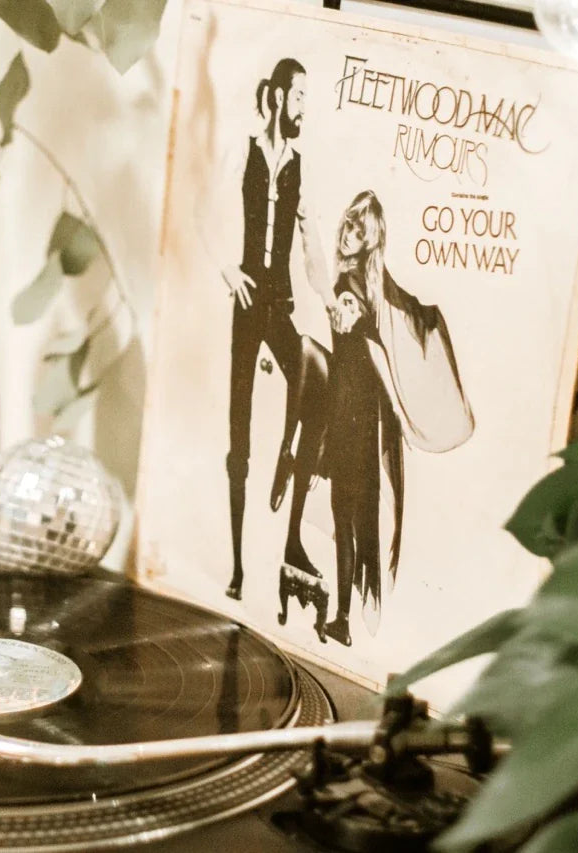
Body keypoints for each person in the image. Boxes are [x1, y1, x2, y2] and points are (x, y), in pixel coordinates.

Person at [319, 191, 474, 646]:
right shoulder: (369, 281)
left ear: (370, 241)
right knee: (355, 515)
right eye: (348, 223)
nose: (348, 233)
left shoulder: (351, 287)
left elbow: (371, 344)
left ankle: (343, 619)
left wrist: (404, 413)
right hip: (358, 410)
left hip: (352, 410)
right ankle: (346, 617)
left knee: (346, 514)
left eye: (358, 230)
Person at [222, 57, 332, 601]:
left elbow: (312, 252)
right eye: (299, 97)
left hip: (281, 303)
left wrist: (327, 285)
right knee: (237, 426)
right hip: (247, 307)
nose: (303, 108)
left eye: (307, 98)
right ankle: (239, 568)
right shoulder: (243, 153)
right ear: (277, 99)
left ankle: (290, 454)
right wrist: (226, 266)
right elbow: (208, 210)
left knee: (318, 380)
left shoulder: (298, 166)